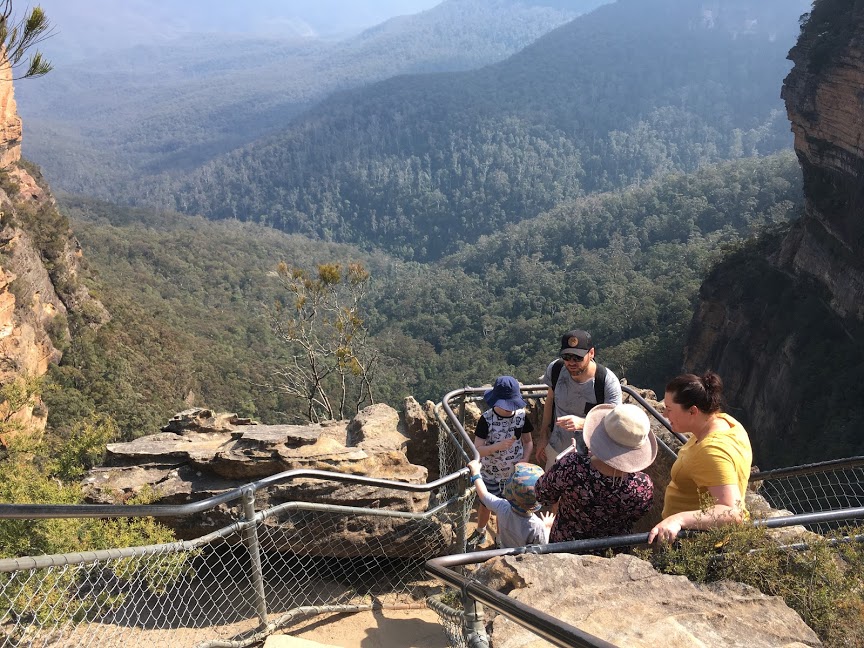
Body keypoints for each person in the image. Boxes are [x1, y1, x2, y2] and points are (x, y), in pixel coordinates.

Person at [648, 372, 753, 545]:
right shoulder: (726, 422)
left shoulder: (711, 452)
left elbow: (734, 513)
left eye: (669, 409)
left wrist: (679, 519)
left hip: (695, 542)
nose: (665, 415)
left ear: (693, 411)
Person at [535, 403, 655, 542]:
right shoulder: (643, 486)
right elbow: (638, 514)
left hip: (567, 547)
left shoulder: (572, 466)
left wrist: (570, 461)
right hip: (612, 551)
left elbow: (542, 494)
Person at [537, 328, 622, 469]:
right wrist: (543, 435)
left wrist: (583, 423)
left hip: (591, 456)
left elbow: (614, 421)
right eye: (567, 357)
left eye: (578, 358)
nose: (571, 362)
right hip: (555, 450)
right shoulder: (556, 369)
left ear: (592, 353)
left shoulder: (606, 382)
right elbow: (550, 400)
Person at [467, 376, 534, 547]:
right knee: (486, 504)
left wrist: (525, 459)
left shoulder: (521, 416)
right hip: (490, 472)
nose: (508, 409)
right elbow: (478, 449)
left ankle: (500, 538)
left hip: (513, 475)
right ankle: (481, 531)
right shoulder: (486, 419)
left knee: (507, 510)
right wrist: (497, 446)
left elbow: (528, 441)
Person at [467, 459, 553, 548]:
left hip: (504, 550)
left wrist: (476, 473)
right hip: (522, 559)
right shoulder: (537, 526)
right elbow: (542, 547)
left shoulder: (502, 507)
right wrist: (547, 528)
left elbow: (484, 495)